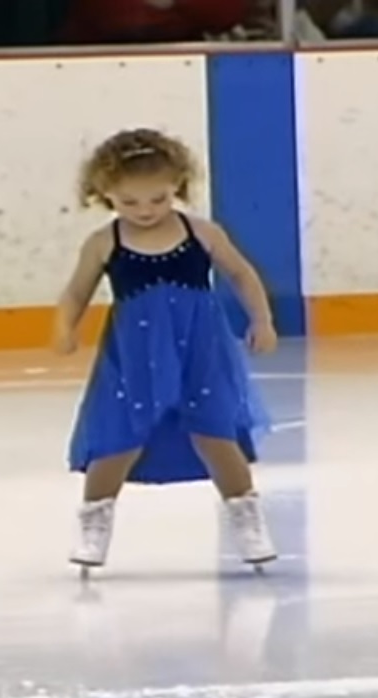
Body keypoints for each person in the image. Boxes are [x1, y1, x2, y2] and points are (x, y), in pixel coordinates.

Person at [52, 128, 279, 575]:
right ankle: (94, 522)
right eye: (129, 203)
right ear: (106, 194)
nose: (145, 211)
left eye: (157, 199)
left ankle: (246, 516)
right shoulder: (105, 242)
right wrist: (64, 327)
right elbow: (76, 292)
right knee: (118, 439)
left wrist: (262, 319)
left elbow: (241, 273)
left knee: (216, 435)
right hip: (134, 355)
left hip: (200, 348)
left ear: (177, 186)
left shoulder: (201, 232)